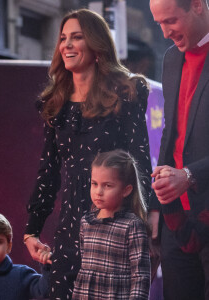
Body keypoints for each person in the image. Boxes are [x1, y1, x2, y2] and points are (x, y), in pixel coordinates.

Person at [24, 8, 152, 299]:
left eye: (77, 37)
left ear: (96, 46)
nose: (67, 44)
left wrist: (150, 218)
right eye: (63, 38)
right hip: (69, 230)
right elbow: (48, 172)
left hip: (115, 229)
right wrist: (31, 232)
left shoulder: (125, 94)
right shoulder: (55, 104)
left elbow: (140, 159)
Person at [149, 0, 209, 299]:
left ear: (197, 5)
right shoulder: (172, 58)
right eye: (159, 23)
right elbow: (170, 135)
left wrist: (190, 175)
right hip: (177, 219)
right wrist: (155, 208)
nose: (164, 32)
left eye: (170, 20)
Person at [72, 150, 150, 299]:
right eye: (94, 184)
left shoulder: (132, 225)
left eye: (107, 185)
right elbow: (83, 269)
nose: (98, 192)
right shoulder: (86, 222)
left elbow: (141, 276)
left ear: (126, 190)